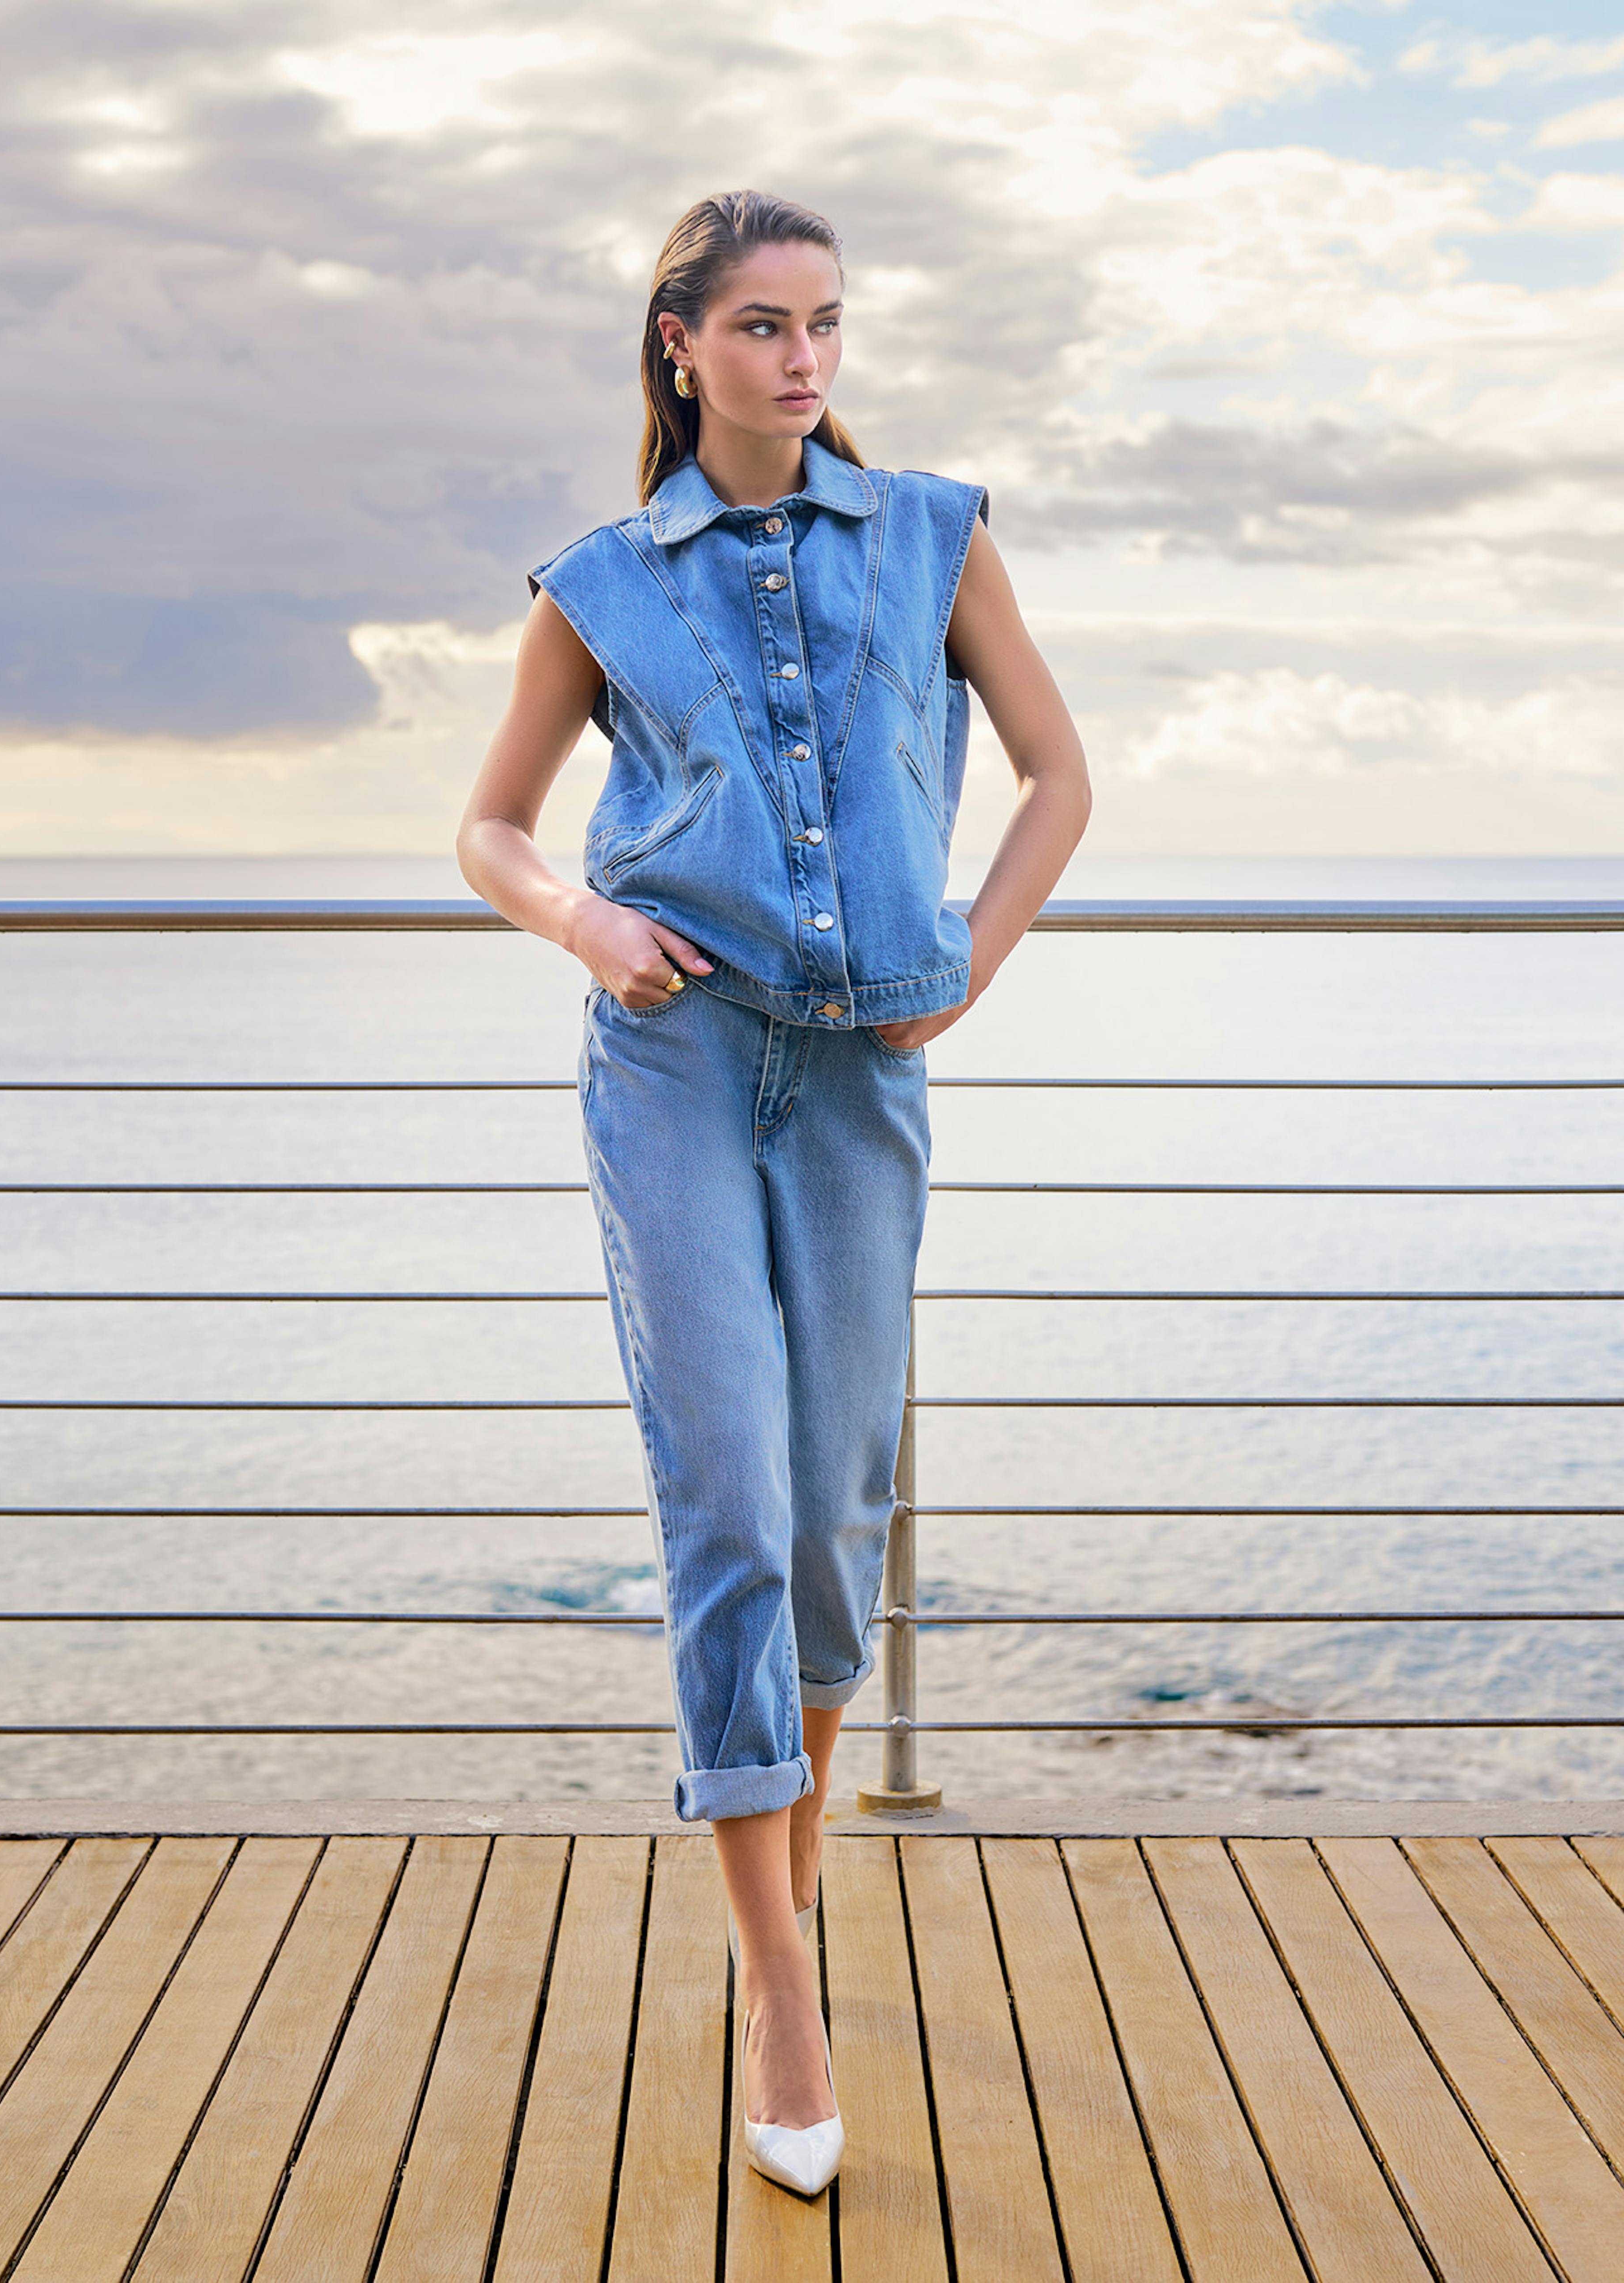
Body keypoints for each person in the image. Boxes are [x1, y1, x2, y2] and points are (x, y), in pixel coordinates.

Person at [457, 189, 1089, 2197]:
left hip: (859, 1082)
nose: (803, 359)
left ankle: (782, 1894)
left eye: (826, 323)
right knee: (725, 1494)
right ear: (679, 347)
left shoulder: (933, 533)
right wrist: (582, 922)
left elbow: (1059, 772)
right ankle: (778, 1979)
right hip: (671, 1062)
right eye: (760, 326)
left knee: (833, 1515)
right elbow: (489, 824)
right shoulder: (599, 583)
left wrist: (964, 967)